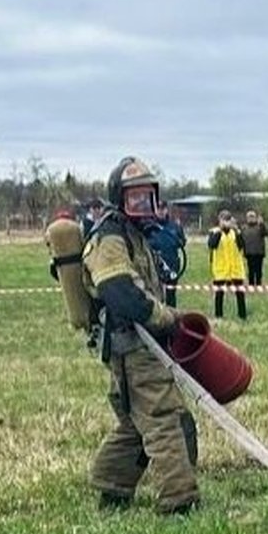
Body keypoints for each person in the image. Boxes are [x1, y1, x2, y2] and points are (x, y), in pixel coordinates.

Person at [81, 156, 199, 514]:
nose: (142, 205)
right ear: (119, 198)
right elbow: (120, 291)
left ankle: (111, 485)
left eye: (148, 197)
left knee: (137, 420)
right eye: (134, 198)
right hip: (133, 347)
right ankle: (179, 501)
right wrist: (165, 317)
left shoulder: (134, 236)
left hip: (140, 346)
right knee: (166, 419)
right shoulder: (110, 238)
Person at [144, 200, 186, 307]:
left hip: (172, 264)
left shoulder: (175, 226)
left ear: (166, 210)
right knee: (155, 295)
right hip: (155, 266)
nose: (161, 211)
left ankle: (172, 317)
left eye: (163, 208)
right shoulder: (148, 227)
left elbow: (182, 242)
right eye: (158, 209)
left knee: (171, 294)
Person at [207, 210, 247, 320]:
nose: (226, 222)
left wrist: (237, 230)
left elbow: (241, 246)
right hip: (221, 270)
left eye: (228, 220)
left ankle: (242, 315)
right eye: (224, 219)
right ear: (220, 220)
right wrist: (220, 230)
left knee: (240, 294)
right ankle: (218, 315)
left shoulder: (235, 233)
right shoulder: (214, 232)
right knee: (219, 295)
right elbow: (212, 245)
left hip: (235, 269)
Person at [241, 210, 268, 286]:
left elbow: (266, 233)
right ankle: (251, 285)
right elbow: (241, 240)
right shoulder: (244, 228)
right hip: (249, 253)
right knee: (250, 270)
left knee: (258, 270)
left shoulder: (260, 227)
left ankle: (259, 284)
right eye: (249, 217)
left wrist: (262, 224)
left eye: (252, 216)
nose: (251, 218)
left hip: (259, 253)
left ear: (255, 218)